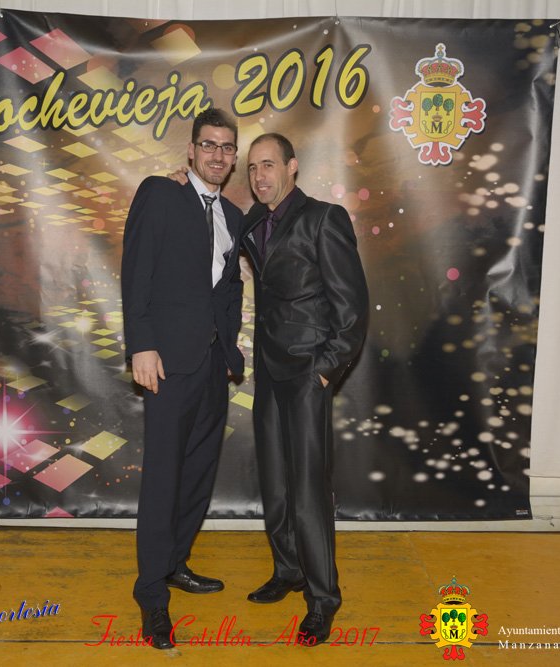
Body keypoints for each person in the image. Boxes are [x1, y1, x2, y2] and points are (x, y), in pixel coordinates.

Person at [120, 108, 244, 650]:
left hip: (214, 364)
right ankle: (151, 594)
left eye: (226, 147)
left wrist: (232, 347)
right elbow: (136, 271)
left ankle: (175, 564)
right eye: (208, 145)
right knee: (164, 478)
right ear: (191, 150)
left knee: (197, 474)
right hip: (167, 361)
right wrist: (141, 344)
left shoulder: (234, 214)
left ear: (234, 157)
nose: (217, 154)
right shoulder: (159, 192)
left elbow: (229, 287)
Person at [241, 133, 369, 646]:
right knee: (275, 482)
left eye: (268, 165)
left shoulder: (323, 218)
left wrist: (325, 369)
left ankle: (322, 600)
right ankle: (288, 569)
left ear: (292, 167)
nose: (259, 176)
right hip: (269, 372)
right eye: (253, 168)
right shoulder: (253, 221)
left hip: (307, 373)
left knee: (309, 489)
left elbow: (352, 306)